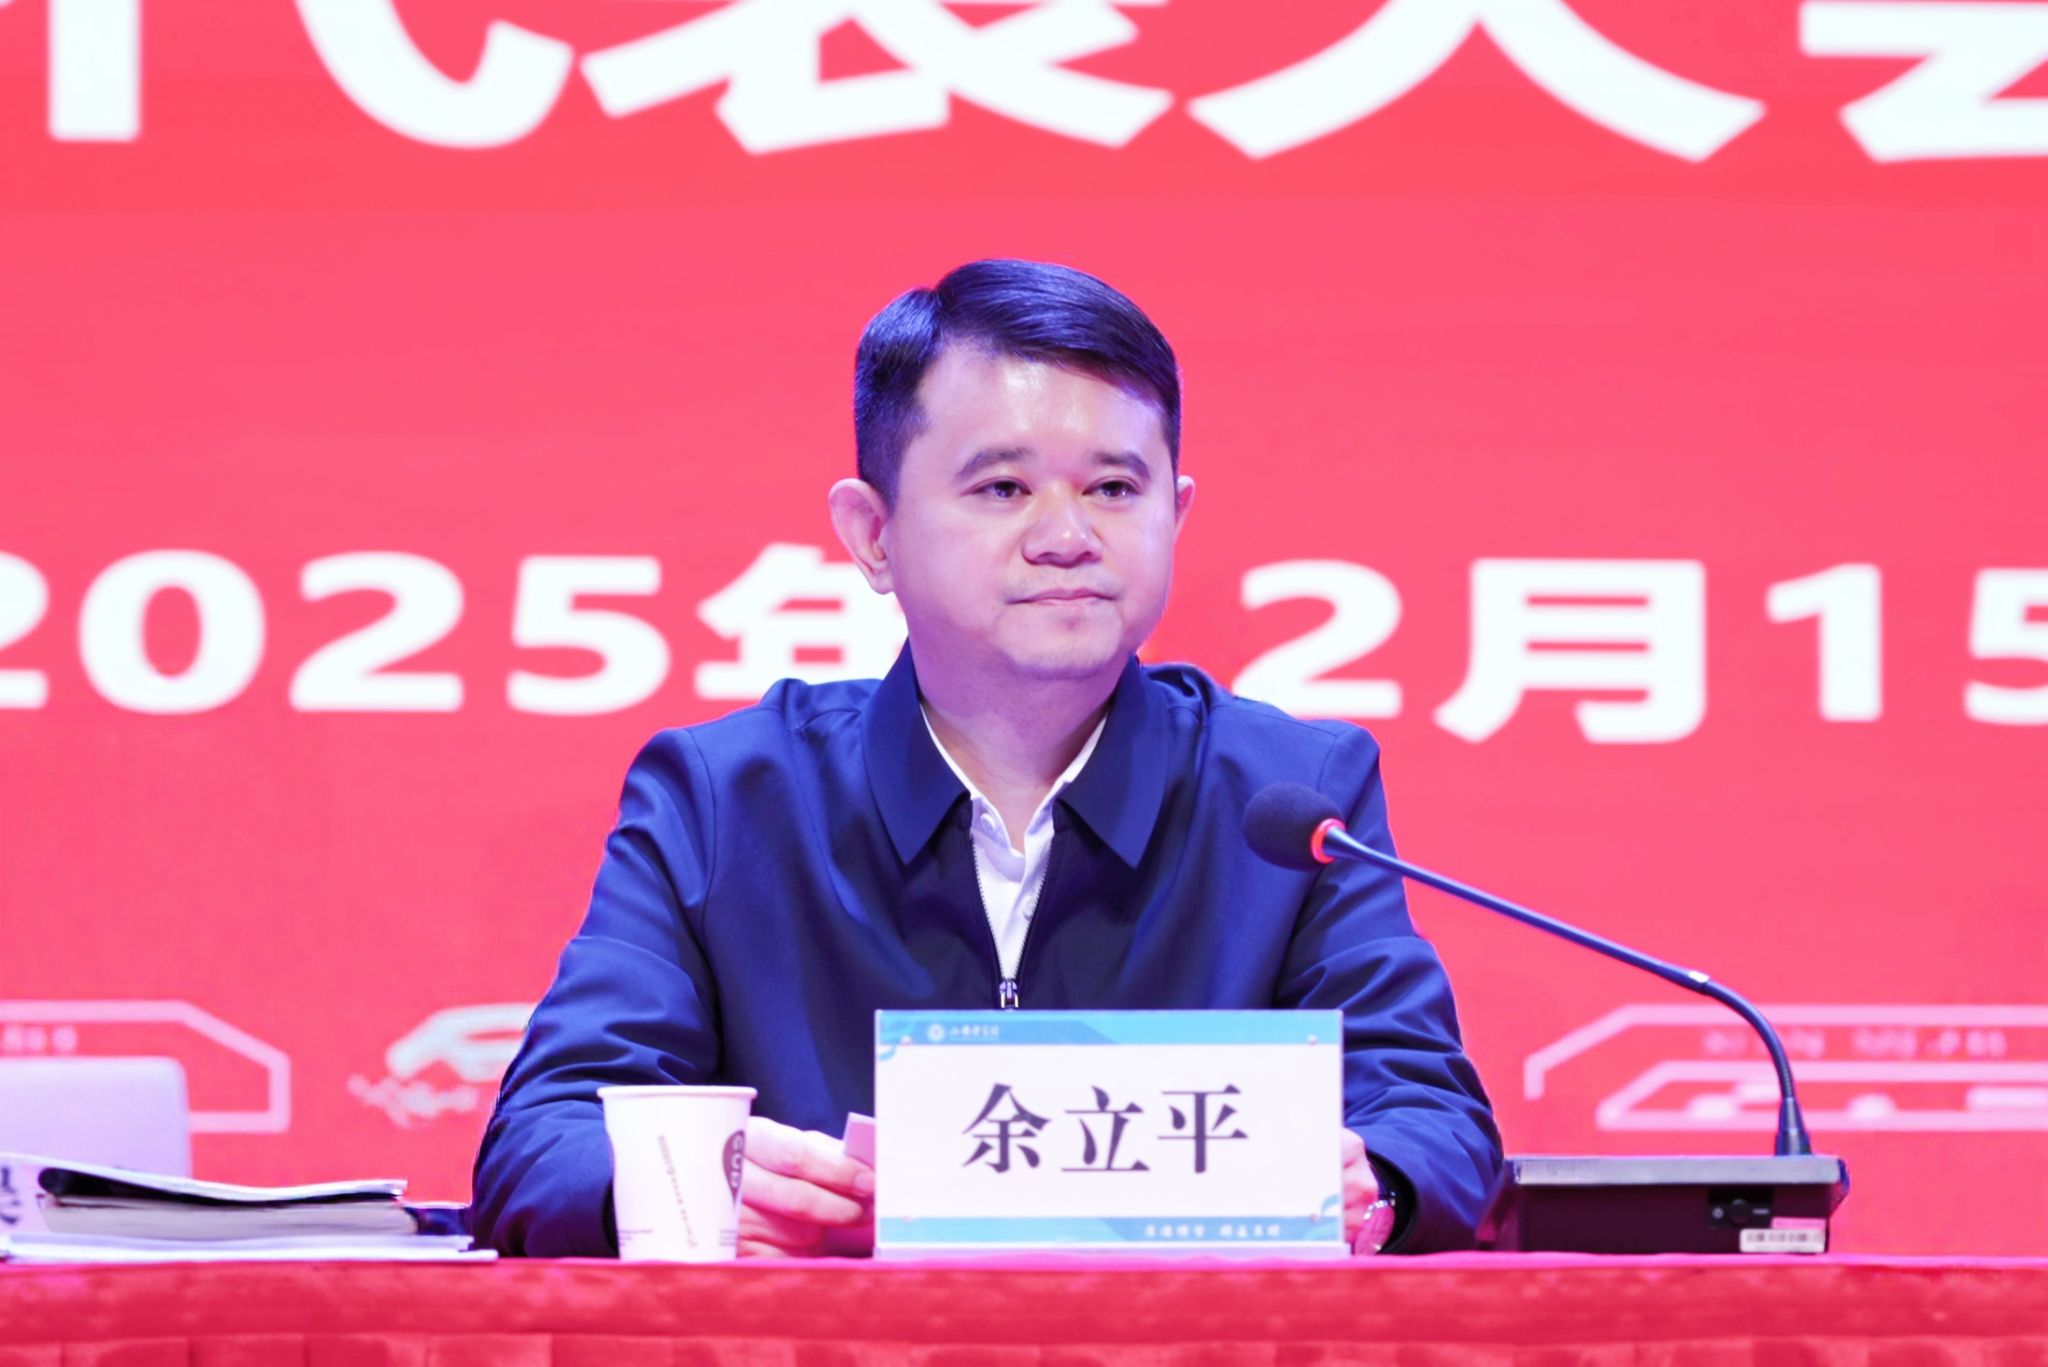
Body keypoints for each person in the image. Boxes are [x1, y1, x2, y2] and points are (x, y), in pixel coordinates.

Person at [471, 259, 1501, 1257]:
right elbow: (542, 1140)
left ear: (1174, 514)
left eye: (1113, 486)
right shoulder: (727, 798)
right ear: (872, 534)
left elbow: (1432, 1122)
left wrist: (1373, 1188)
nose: (1067, 535)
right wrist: (692, 1187)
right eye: (1003, 487)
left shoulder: (1288, 798)